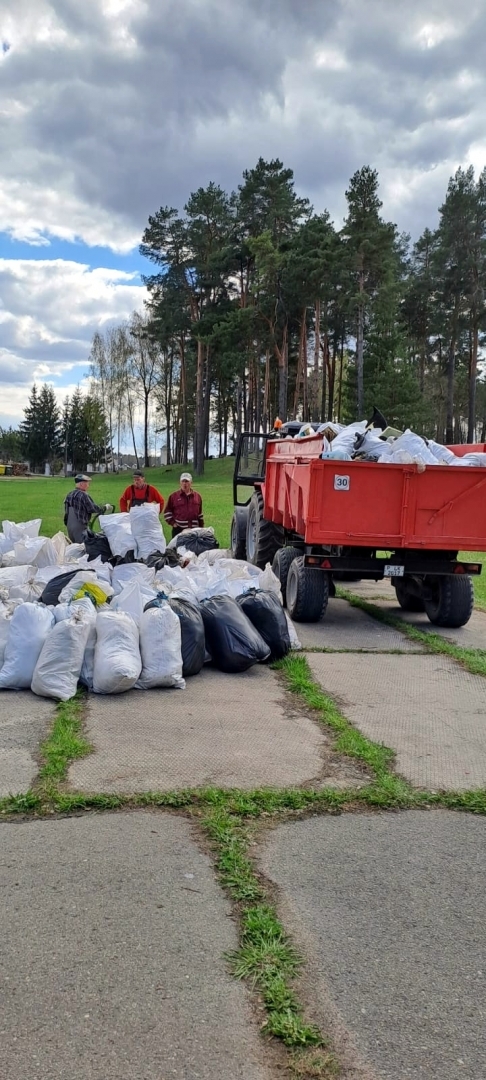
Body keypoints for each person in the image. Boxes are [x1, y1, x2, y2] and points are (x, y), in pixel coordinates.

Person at [64, 475, 112, 544]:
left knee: (74, 547)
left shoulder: (69, 495)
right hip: (80, 527)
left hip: (69, 526)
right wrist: (105, 507)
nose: (88, 485)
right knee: (83, 548)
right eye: (87, 483)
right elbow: (92, 508)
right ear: (81, 484)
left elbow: (66, 512)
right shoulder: (83, 495)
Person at [164, 472, 204, 537]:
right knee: (178, 547)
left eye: (187, 481)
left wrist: (201, 528)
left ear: (191, 483)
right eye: (183, 481)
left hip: (194, 530)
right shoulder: (173, 496)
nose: (184, 483)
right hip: (179, 530)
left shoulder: (197, 496)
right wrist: (173, 524)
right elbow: (167, 512)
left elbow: (200, 514)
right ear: (180, 482)